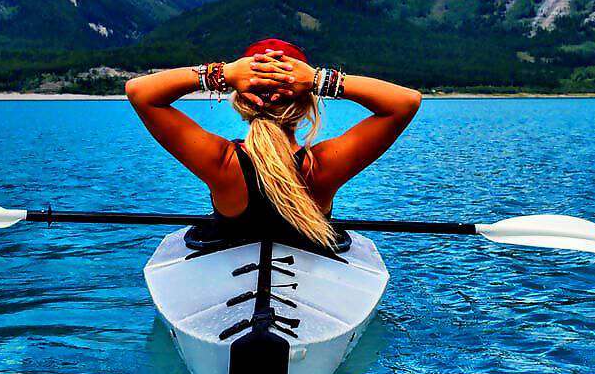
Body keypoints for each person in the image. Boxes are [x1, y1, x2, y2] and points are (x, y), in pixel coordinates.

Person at [124, 39, 421, 249]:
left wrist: (223, 73)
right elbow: (405, 102)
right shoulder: (323, 166)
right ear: (307, 102)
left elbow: (140, 92)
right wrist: (318, 79)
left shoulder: (221, 162)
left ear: (240, 100)